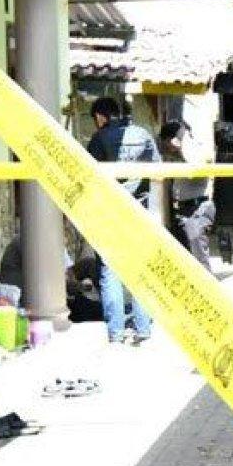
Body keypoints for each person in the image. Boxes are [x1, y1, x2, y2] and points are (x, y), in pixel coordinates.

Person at [86, 97, 159, 345]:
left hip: (109, 214)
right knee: (140, 272)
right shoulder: (143, 135)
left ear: (100, 116)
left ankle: (116, 332)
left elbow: (89, 178)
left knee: (110, 272)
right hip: (139, 212)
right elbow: (159, 171)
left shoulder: (99, 139)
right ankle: (143, 328)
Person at [160, 121, 214, 270]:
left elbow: (196, 170)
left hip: (197, 208)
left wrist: (182, 145)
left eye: (167, 144)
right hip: (184, 210)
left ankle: (205, 284)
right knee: (185, 260)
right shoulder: (179, 154)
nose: (168, 148)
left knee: (199, 259)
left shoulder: (193, 147)